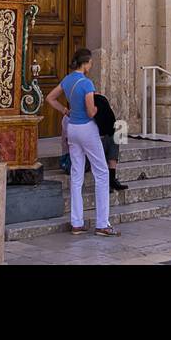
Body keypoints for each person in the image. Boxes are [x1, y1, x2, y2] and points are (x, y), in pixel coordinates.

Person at [47, 48, 120, 236]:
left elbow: (50, 98)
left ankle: (76, 222)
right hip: (87, 129)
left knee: (76, 173)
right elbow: (90, 112)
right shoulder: (87, 84)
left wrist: (65, 110)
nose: (91, 65)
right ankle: (102, 223)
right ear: (86, 63)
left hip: (72, 128)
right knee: (102, 173)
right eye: (90, 62)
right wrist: (99, 109)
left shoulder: (67, 79)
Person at [59, 91, 128, 191]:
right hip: (71, 160)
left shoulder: (91, 116)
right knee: (100, 142)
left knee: (117, 131)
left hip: (90, 155)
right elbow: (77, 142)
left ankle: (111, 178)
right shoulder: (69, 119)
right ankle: (105, 181)